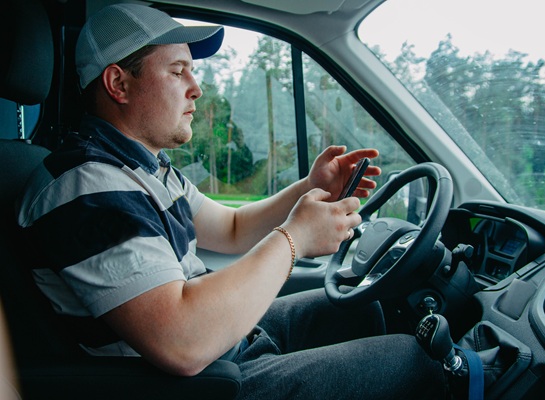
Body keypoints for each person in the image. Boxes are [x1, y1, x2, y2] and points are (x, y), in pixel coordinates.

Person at [16, 4, 446, 399]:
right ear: (119, 84)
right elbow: (182, 341)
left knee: (362, 310)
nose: (196, 88)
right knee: (414, 362)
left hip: (222, 350)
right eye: (178, 71)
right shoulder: (88, 187)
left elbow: (234, 228)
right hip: (192, 384)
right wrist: (296, 237)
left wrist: (309, 186)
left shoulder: (145, 168)